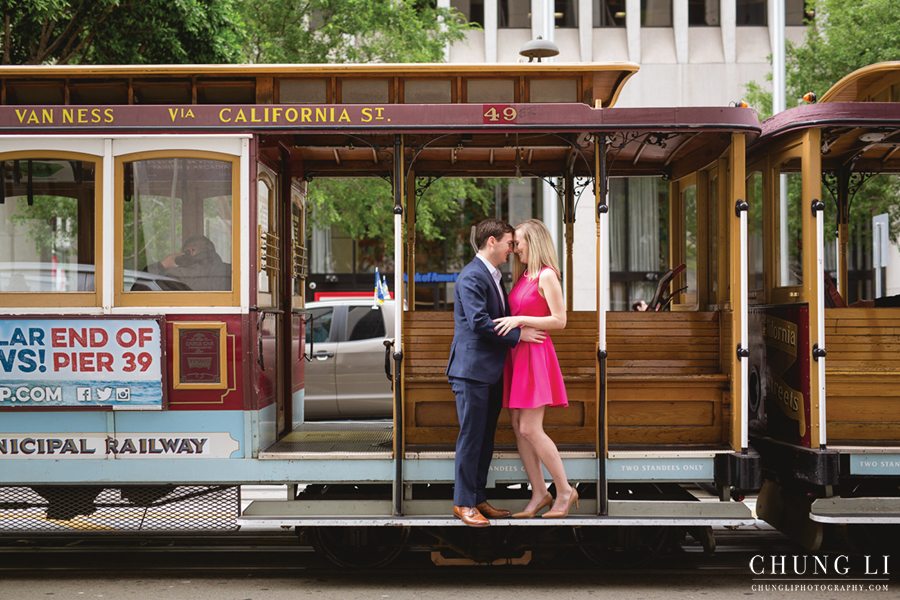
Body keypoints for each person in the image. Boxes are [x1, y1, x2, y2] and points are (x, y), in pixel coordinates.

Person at [446, 218, 547, 528]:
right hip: (472, 372)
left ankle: (477, 498)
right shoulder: (472, 276)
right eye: (508, 243)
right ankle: (463, 504)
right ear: (491, 242)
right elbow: (478, 322)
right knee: (471, 437)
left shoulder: (493, 275)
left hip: (489, 371)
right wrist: (519, 336)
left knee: (485, 437)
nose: (512, 249)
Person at [493, 219, 578, 519]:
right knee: (519, 428)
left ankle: (565, 490)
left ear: (535, 241)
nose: (514, 248)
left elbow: (560, 319)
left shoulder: (547, 275)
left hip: (536, 356)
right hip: (518, 355)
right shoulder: (524, 276)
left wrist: (520, 321)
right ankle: (539, 492)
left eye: (518, 242)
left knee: (530, 427)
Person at [146, 234, 230, 291]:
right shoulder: (233, 272)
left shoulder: (176, 275)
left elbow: (140, 294)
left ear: (188, 252)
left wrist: (161, 265)